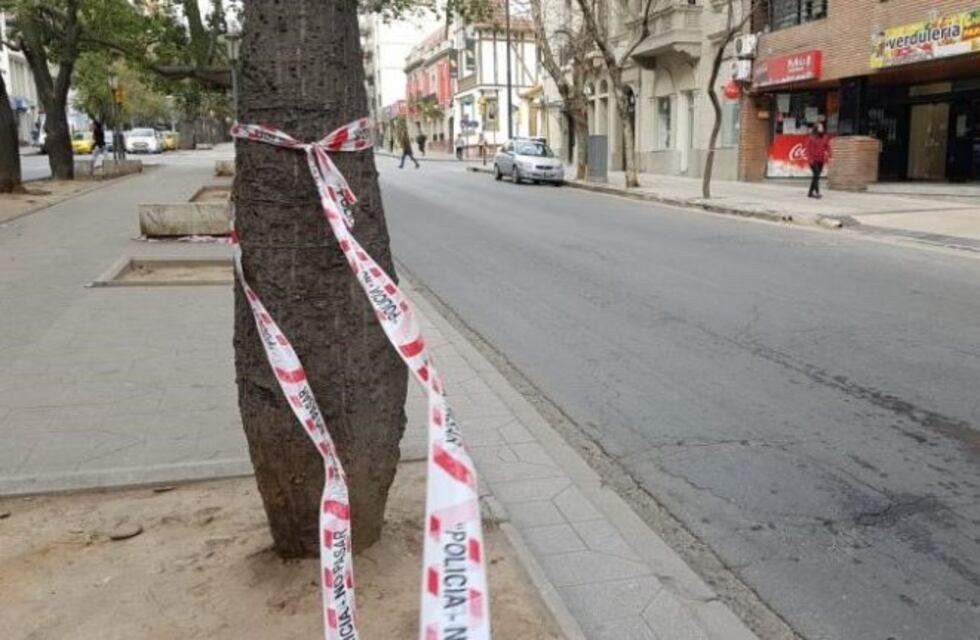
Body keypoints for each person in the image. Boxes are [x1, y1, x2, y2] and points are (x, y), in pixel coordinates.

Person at [805, 123, 830, 199]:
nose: (822, 128)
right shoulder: (811, 138)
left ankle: (810, 193)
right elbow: (808, 150)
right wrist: (810, 159)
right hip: (813, 160)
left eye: (822, 127)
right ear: (816, 128)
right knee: (816, 175)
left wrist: (827, 154)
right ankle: (817, 192)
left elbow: (827, 147)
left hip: (821, 159)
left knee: (816, 176)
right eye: (820, 127)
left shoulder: (824, 137)